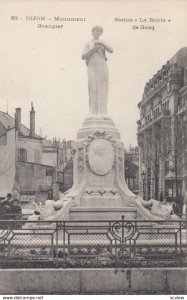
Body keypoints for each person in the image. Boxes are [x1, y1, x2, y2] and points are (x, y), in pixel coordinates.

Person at [82, 26, 113, 115]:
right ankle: (92, 112)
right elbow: (83, 56)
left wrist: (102, 44)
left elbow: (111, 50)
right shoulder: (88, 43)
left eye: (100, 31)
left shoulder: (103, 42)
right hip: (92, 66)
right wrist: (93, 49)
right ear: (92, 32)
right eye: (96, 30)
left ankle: (103, 112)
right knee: (92, 88)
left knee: (103, 88)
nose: (98, 32)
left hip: (102, 65)